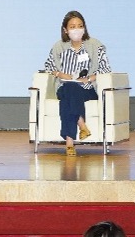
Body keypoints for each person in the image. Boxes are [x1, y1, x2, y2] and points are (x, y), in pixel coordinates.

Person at [43, 10, 111, 156]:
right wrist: (60, 74)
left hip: (87, 89)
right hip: (64, 86)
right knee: (69, 87)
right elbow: (48, 66)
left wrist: (89, 78)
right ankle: (81, 124)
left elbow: (105, 68)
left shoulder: (95, 45)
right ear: (65, 30)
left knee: (67, 100)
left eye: (80, 26)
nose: (77, 30)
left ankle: (70, 142)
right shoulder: (59, 46)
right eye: (72, 27)